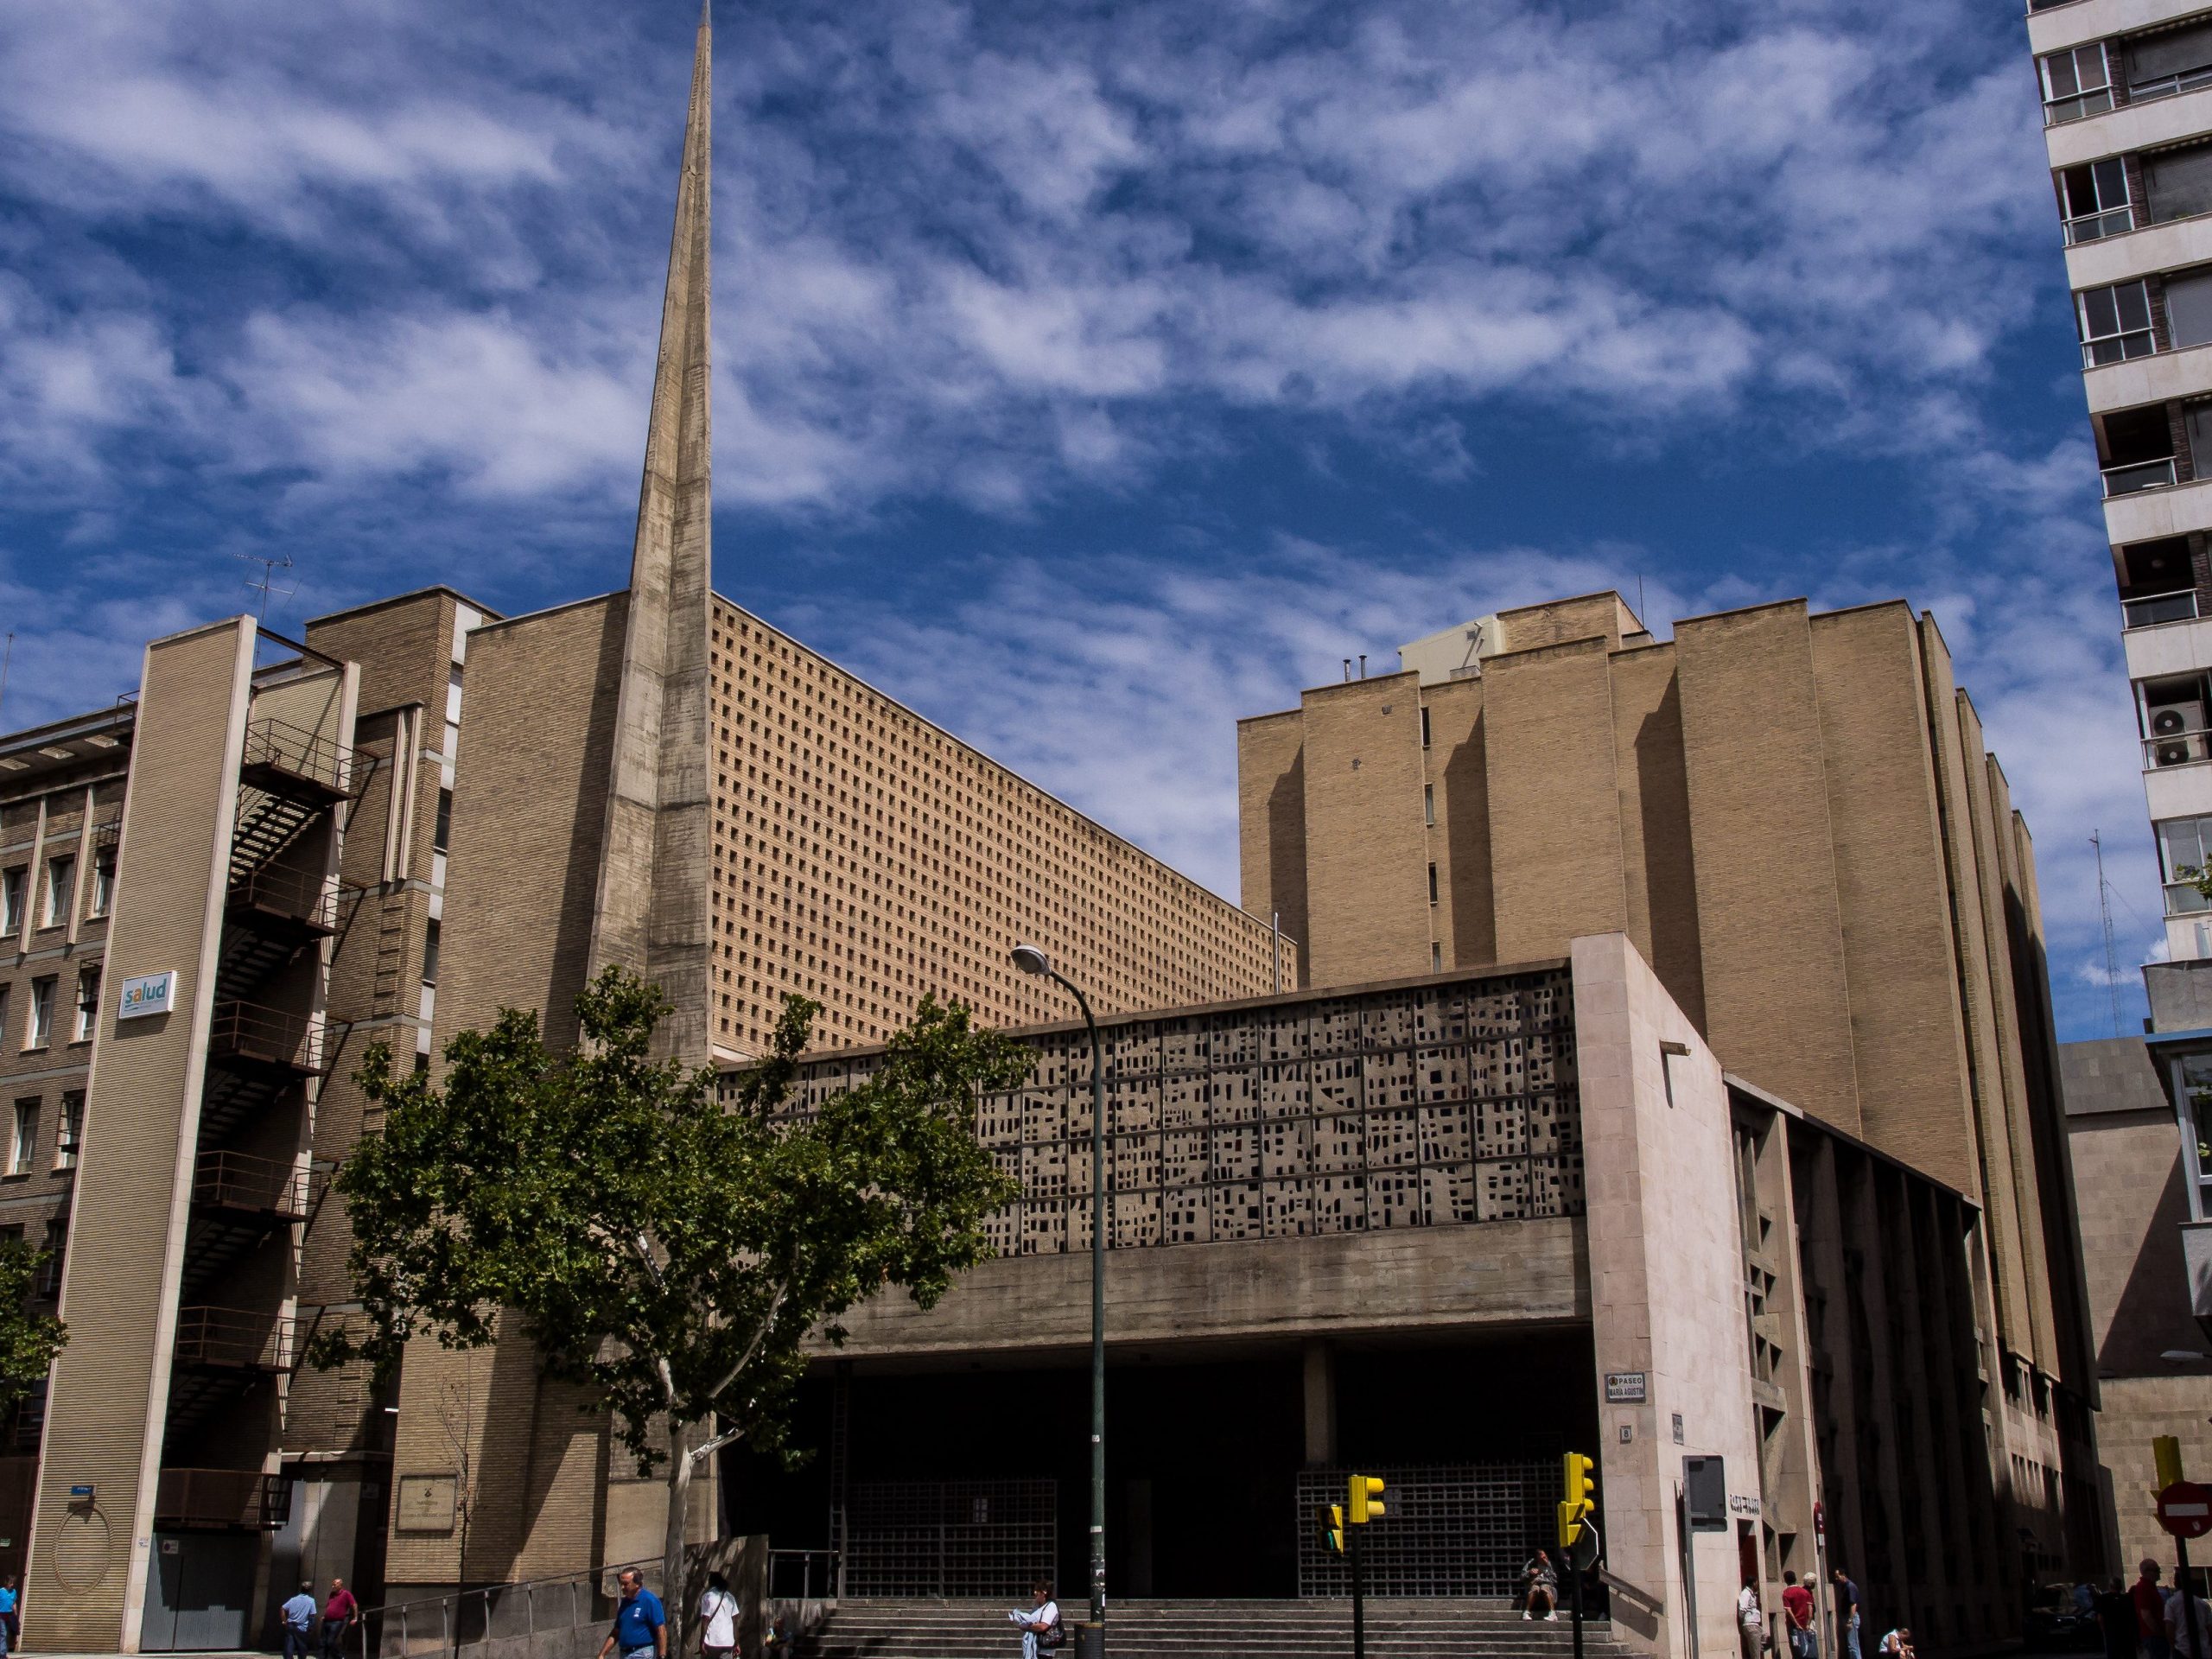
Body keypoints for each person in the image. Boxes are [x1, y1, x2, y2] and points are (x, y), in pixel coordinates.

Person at [597, 1568, 667, 1659]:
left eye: (625, 1584)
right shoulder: (624, 1603)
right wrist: (602, 1654)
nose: (622, 1587)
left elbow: (661, 1630)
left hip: (642, 1653)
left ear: (637, 1583)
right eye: (621, 1584)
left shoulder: (649, 1600)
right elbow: (616, 1632)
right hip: (625, 1654)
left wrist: (662, 1655)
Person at [1008, 1579, 1058, 1659]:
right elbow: (1031, 1620)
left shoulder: (1051, 1606)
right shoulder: (1037, 1606)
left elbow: (1043, 1626)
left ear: (1044, 1591)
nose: (1035, 1592)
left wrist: (1027, 1626)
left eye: (1037, 1590)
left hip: (1045, 1649)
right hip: (1034, 1646)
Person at [697, 1569, 739, 1659]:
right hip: (728, 1642)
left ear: (711, 1582)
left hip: (712, 1642)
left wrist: (701, 1642)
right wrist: (737, 1643)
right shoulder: (730, 1597)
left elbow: (705, 1620)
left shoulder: (707, 1596)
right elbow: (735, 1622)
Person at [2172, 1570, 2212, 1659]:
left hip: (2182, 1648)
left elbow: (2169, 1627)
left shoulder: (2171, 1603)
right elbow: (2209, 1628)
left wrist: (2172, 1646)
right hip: (2202, 1647)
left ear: (2175, 1583)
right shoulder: (2202, 1604)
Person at [2140, 1560, 2175, 1659]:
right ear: (2147, 1572)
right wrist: (2159, 1633)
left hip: (2157, 1635)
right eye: (2156, 1570)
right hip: (2154, 1637)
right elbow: (2146, 1615)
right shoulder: (2143, 1587)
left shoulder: (2152, 1587)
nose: (2159, 1572)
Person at [2101, 1577, 2141, 1659]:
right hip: (2127, 1635)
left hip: (2112, 1635)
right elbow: (2134, 1618)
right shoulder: (2128, 1599)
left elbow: (2100, 1618)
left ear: (2110, 1586)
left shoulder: (2104, 1599)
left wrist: (2105, 1631)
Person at [1782, 1571, 1818, 1659]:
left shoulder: (1786, 1593)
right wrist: (1808, 1624)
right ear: (1795, 1579)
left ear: (1785, 1580)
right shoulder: (1805, 1592)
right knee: (1808, 1647)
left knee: (1796, 1649)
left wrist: (1797, 1624)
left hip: (1794, 1627)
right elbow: (1810, 1609)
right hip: (1805, 1624)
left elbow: (1789, 1611)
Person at [321, 1577, 359, 1659]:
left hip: (337, 1622)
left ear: (340, 1585)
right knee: (324, 1642)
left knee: (330, 1641)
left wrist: (355, 1617)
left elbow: (354, 1605)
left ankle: (339, 1656)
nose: (333, 1586)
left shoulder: (346, 1594)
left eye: (334, 1585)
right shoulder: (332, 1594)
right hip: (327, 1621)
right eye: (332, 1585)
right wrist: (325, 1615)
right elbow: (329, 1605)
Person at [281, 1582, 318, 1659]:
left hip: (290, 1626)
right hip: (302, 1627)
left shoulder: (293, 1599)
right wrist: (311, 1628)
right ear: (310, 1590)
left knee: (289, 1646)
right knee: (302, 1648)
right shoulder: (311, 1601)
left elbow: (283, 1608)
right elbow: (312, 1615)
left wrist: (284, 1621)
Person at [1522, 1548, 1560, 1622]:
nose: (1543, 1559)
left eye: (1544, 1557)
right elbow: (1522, 1576)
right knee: (1535, 1588)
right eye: (1541, 1558)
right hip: (1535, 1586)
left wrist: (1541, 1579)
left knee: (1544, 1587)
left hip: (1548, 1587)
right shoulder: (1532, 1563)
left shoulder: (1552, 1565)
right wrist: (1529, 1572)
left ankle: (1553, 1614)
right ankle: (1526, 1612)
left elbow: (1555, 1580)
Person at [1834, 1568, 1861, 1659]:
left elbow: (1853, 1605)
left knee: (1853, 1644)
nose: (1836, 1579)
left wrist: (1850, 1620)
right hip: (1847, 1616)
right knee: (1851, 1644)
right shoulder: (1844, 1586)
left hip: (1850, 1617)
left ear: (1843, 1575)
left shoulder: (1850, 1586)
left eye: (1838, 1576)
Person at [1738, 1580, 1764, 1659]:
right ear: (1753, 1583)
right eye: (1756, 1582)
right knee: (1755, 1653)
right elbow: (1742, 1610)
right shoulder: (1746, 1593)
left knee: (1763, 1642)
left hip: (1755, 1625)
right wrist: (1744, 1620)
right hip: (1751, 1625)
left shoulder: (1752, 1594)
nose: (1758, 1584)